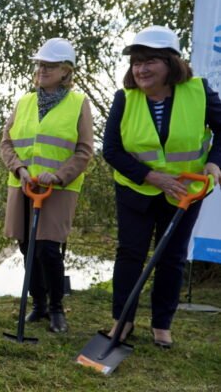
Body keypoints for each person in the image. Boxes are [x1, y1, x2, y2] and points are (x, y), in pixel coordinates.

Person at [102, 25, 221, 348]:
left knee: (171, 257)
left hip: (185, 192)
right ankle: (122, 322)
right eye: (136, 62)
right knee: (130, 254)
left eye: (149, 61)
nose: (140, 69)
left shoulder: (199, 92)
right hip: (135, 190)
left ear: (171, 63)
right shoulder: (124, 98)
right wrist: (153, 177)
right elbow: (111, 150)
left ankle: (162, 325)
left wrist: (215, 162)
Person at [0, 38, 94, 333]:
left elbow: (84, 150)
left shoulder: (79, 104)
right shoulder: (24, 102)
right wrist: (19, 168)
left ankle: (56, 309)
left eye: (49, 66)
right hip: (23, 186)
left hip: (58, 190)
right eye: (39, 64)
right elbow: (6, 142)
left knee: (48, 250)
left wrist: (60, 175)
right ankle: (38, 304)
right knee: (27, 247)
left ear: (66, 71)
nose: (42, 69)